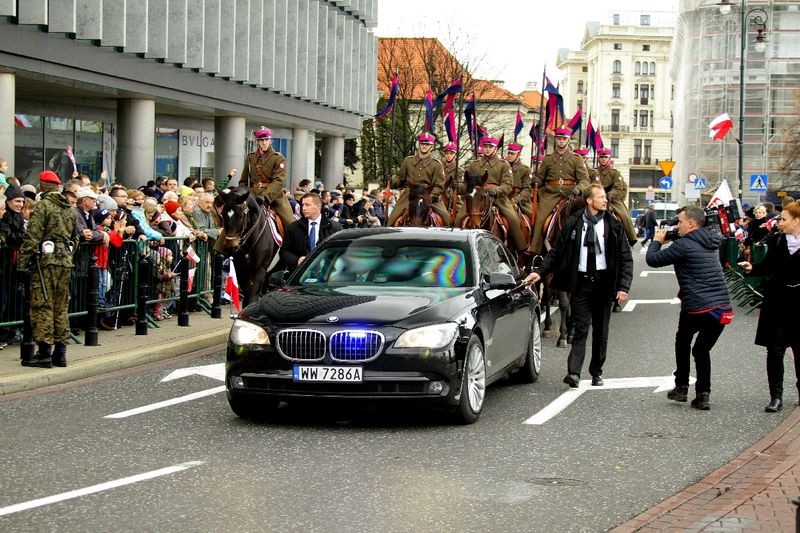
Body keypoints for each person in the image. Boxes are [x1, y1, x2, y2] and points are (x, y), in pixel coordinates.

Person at [524, 183, 633, 388]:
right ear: (590, 201)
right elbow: (556, 251)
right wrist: (539, 272)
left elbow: (626, 259)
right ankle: (573, 372)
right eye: (601, 197)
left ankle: (596, 371)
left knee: (601, 332)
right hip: (582, 283)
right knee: (580, 328)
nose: (605, 200)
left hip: (604, 284)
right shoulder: (574, 222)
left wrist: (623, 287)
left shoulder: (613, 225)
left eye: (605, 197)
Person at [646, 206, 733, 410]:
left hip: (696, 305)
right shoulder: (712, 240)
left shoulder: (684, 245)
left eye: (680, 221)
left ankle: (682, 387)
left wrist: (657, 242)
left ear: (691, 223)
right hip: (721, 306)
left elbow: (652, 260)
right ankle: (703, 394)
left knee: (683, 342)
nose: (677, 225)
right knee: (702, 350)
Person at [738, 201, 800, 412]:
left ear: (796, 221)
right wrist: (752, 266)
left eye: (784, 219)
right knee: (774, 350)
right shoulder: (776, 240)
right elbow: (767, 266)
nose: (780, 222)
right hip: (777, 302)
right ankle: (776, 396)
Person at [17, 171, 79, 368]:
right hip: (65, 261)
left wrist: (22, 263)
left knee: (42, 304)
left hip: (45, 261)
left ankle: (44, 353)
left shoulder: (43, 206)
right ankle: (60, 353)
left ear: (43, 186)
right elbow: (75, 237)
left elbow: (32, 236)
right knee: (61, 307)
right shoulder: (69, 208)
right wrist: (66, 253)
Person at [529, 128, 590, 254]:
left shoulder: (576, 159)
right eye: (559, 138)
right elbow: (541, 177)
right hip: (550, 194)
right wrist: (537, 181)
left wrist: (579, 189)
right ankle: (535, 251)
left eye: (564, 139)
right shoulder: (548, 159)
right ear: (555, 139)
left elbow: (584, 180)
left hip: (571, 195)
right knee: (540, 220)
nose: (561, 141)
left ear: (568, 140)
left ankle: (589, 247)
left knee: (585, 218)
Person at [464, 136, 525, 251]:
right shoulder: (474, 165)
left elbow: (507, 184)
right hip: (476, 197)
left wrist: (496, 191)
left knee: (512, 218)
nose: (487, 149)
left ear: (495, 148)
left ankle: (519, 249)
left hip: (498, 198)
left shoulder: (503, 165)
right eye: (485, 146)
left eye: (490, 147)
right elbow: (466, 183)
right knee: (458, 219)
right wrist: (460, 186)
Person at [236, 126, 294, 230]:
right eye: (261, 140)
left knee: (290, 223)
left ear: (270, 141)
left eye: (267, 139)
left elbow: (279, 180)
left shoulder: (278, 158)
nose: (264, 142)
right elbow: (243, 181)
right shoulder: (250, 157)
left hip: (274, 196)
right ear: (257, 141)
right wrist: (245, 194)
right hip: (252, 195)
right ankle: (220, 246)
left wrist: (266, 196)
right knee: (234, 217)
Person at [387, 133, 450, 227]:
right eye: (422, 143)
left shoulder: (437, 165)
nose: (424, 146)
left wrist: (431, 196)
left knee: (446, 219)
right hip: (410, 195)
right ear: (418, 144)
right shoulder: (408, 161)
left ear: (431, 147)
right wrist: (392, 181)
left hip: (428, 195)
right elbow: (400, 177)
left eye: (427, 144)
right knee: (391, 220)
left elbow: (439, 185)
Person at [279, 192, 342, 269]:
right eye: (303, 205)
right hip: (301, 273)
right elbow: (284, 251)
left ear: (318, 206)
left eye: (307, 205)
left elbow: (341, 252)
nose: (304, 208)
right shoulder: (294, 227)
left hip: (327, 273)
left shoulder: (335, 227)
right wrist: (297, 260)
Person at [593, 149, 638, 246]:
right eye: (601, 157)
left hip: (611, 199)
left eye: (605, 157)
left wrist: (608, 196)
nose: (603, 159)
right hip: (595, 198)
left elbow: (618, 188)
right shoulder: (594, 172)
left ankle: (630, 238)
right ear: (598, 158)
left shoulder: (615, 173)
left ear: (609, 158)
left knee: (623, 215)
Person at [506, 142, 533, 219]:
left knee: (535, 218)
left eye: (512, 154)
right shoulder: (503, 167)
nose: (510, 155)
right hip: (504, 198)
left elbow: (527, 189)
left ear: (519, 155)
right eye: (509, 153)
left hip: (520, 200)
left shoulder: (525, 169)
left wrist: (516, 199)